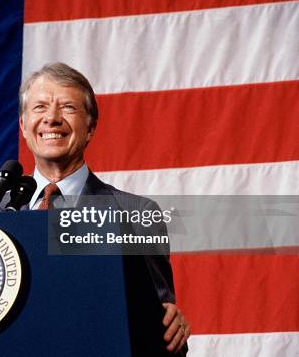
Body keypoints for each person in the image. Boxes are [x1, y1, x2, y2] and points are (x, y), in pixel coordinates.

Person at [19, 62, 190, 354]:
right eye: (39, 107)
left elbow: (161, 327)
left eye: (68, 108)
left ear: (90, 128)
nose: (52, 118)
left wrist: (171, 328)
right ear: (24, 126)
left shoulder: (135, 213)